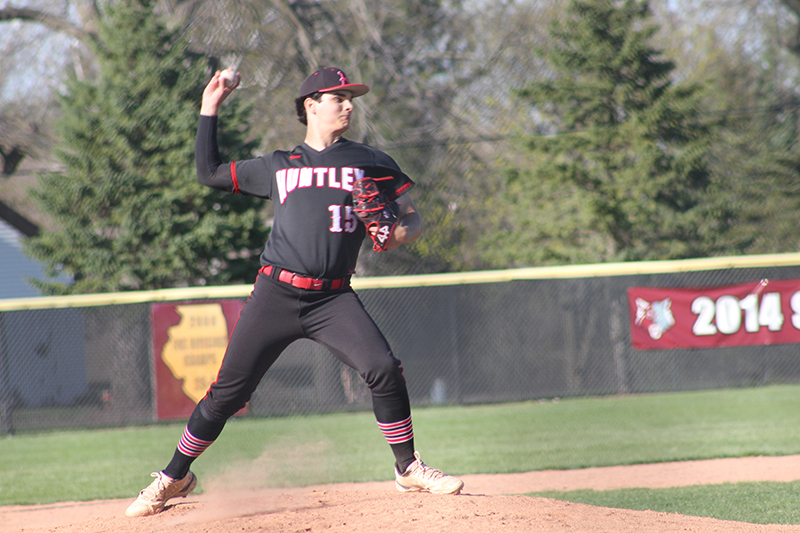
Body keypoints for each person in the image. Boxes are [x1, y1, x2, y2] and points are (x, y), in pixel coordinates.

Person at [125, 67, 464, 517]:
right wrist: (210, 108)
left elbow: (411, 216)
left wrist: (400, 233)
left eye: (350, 98)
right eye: (337, 97)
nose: (347, 104)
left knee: (383, 367)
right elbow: (208, 173)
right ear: (310, 105)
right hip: (275, 295)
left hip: (333, 298)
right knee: (226, 395)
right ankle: (174, 477)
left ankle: (407, 469)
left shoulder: (369, 160)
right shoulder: (279, 166)